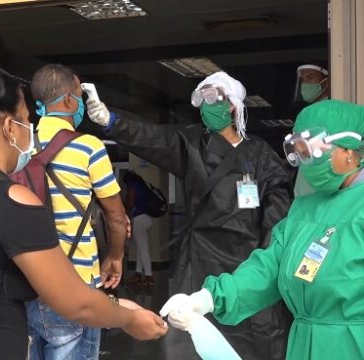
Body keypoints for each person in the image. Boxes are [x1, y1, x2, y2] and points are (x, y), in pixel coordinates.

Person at [0, 58, 167, 360]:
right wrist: (130, 319)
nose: (30, 130)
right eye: (25, 119)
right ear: (10, 127)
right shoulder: (12, 201)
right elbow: (78, 304)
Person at [86, 71, 292, 359]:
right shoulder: (192, 142)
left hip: (249, 259)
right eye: (202, 98)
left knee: (252, 337)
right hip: (199, 257)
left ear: (231, 104)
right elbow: (153, 137)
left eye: (212, 97)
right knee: (190, 336)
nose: (206, 106)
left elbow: (279, 206)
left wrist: (271, 256)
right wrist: (111, 120)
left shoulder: (258, 153)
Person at [160, 99, 364, 360]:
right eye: (298, 152)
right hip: (304, 344)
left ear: (350, 149)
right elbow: (270, 266)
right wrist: (209, 298)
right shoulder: (304, 208)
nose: (306, 163)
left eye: (312, 151)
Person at [26, 64, 130, 360]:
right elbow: (116, 216)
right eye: (80, 96)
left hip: (29, 279)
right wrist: (115, 256)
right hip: (77, 281)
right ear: (71, 101)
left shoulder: (19, 146)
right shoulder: (88, 146)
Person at [293, 64, 330, 197]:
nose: (305, 84)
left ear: (327, 82)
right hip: (307, 187)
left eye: (310, 78)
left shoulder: (332, 112)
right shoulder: (307, 114)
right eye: (302, 80)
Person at [123, 171, 154, 286]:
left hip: (139, 219)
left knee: (143, 250)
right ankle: (138, 274)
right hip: (148, 218)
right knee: (141, 249)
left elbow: (131, 204)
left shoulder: (132, 185)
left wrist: (125, 205)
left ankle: (149, 277)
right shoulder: (143, 184)